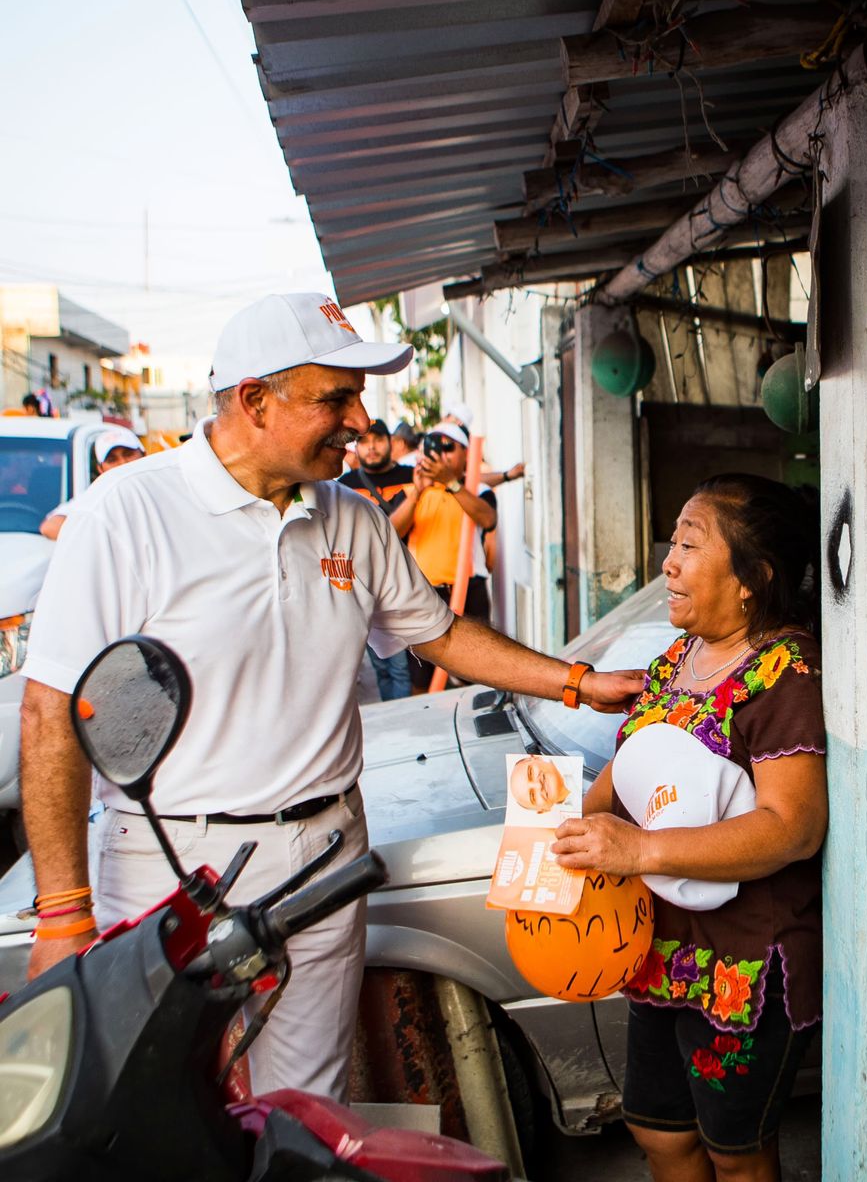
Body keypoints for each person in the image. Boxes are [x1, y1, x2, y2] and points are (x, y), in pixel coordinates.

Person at [18, 291, 645, 1101]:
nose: (358, 418)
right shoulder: (128, 513)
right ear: (254, 400)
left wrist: (576, 682)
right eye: (334, 398)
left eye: (358, 396)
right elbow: (50, 713)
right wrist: (64, 910)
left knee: (307, 1102)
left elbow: (440, 637)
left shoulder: (350, 518)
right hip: (168, 868)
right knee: (167, 1105)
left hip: (324, 855)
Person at [551, 473, 826, 1182]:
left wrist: (641, 847)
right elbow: (623, 783)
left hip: (742, 964)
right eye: (672, 543)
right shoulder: (676, 664)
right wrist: (559, 833)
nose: (668, 563)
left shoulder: (784, 672)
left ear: (751, 580)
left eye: (689, 545)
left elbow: (792, 828)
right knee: (659, 1131)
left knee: (736, 1153)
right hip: (660, 951)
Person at [398, 422, 497, 692]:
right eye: (435, 447)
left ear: (466, 453)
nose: (441, 455)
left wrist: (451, 484)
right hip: (424, 594)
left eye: (448, 448)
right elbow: (391, 531)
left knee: (474, 673)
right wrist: (418, 492)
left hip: (467, 593)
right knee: (422, 677)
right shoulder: (412, 491)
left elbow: (488, 519)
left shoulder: (478, 491)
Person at [338, 419, 414, 700]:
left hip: (406, 580)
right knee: (381, 665)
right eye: (364, 442)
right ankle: (392, 714)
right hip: (365, 584)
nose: (371, 448)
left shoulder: (412, 476)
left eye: (377, 441)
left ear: (390, 443)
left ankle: (405, 719)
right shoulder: (344, 485)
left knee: (400, 666)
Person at [39, 428, 146, 540]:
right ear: (101, 469)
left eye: (128, 454)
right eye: (112, 460)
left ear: (144, 455)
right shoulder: (98, 498)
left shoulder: (162, 486)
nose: (123, 463)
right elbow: (50, 526)